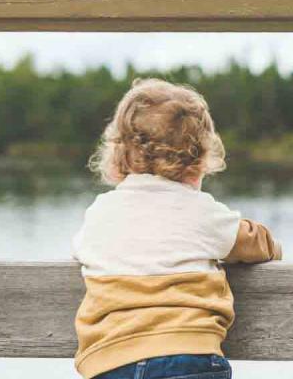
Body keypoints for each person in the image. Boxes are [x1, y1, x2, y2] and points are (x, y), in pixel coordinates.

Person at [72, 78, 282, 379]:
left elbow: (81, 249)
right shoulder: (201, 211)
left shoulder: (99, 213)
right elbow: (255, 243)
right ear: (199, 163)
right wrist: (275, 247)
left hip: (109, 361)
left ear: (119, 156)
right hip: (189, 356)